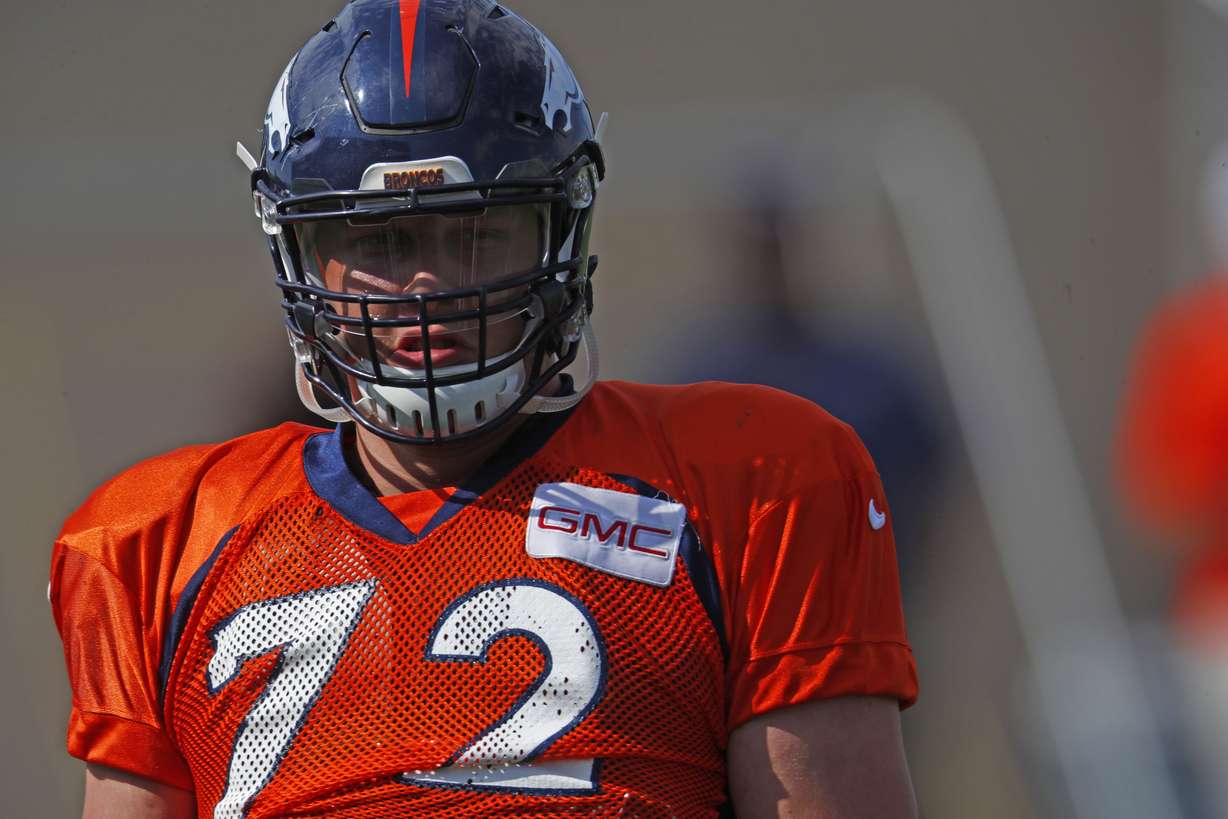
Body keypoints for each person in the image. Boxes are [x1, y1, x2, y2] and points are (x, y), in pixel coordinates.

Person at [49, 1, 919, 816]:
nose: (424, 281)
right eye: (379, 239)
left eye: (474, 231)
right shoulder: (154, 542)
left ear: (559, 230)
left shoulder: (754, 478)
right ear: (300, 256)